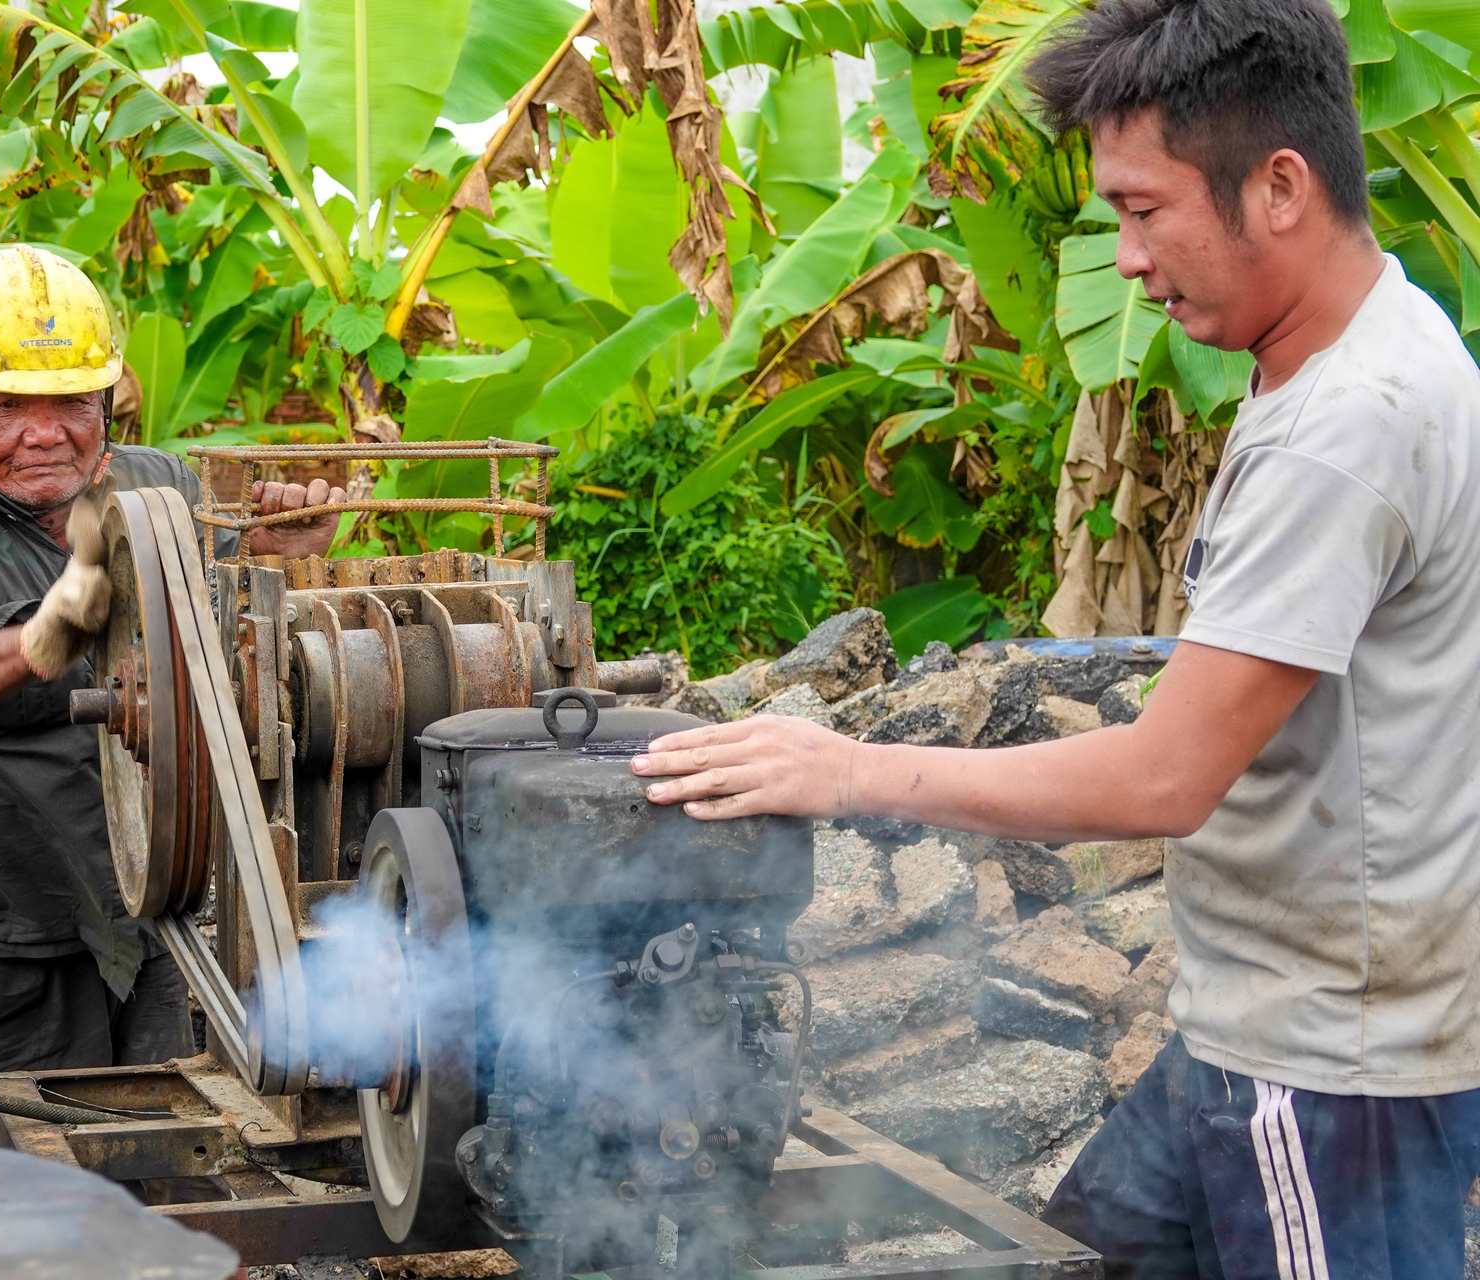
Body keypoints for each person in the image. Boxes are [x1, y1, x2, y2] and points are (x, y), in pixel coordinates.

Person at [634, 2, 1480, 1276]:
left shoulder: (1348, 429)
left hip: (1327, 1081)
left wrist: (847, 767)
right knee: (1071, 1250)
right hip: (1246, 1028)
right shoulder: (1352, 342)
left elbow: (1159, 777)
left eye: (1145, 210)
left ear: (1282, 186)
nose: (1128, 258)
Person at [0, 245, 343, 1140]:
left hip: (152, 917)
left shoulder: (163, 489)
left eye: (71, 401)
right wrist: (46, 634)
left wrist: (289, 546)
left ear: (106, 402)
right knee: (25, 1200)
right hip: (4, 933)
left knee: (159, 1173)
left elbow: (226, 631)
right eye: (7, 407)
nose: (44, 433)